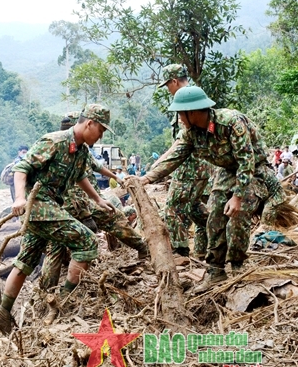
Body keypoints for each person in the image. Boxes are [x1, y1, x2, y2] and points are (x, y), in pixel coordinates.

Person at [140, 86, 285, 293]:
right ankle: (215, 271)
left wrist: (237, 197)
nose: (179, 118)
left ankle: (237, 268)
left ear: (192, 112)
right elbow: (174, 157)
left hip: (254, 170)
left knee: (238, 214)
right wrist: (146, 178)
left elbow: (247, 161)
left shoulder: (231, 122)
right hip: (227, 171)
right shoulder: (191, 133)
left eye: (180, 113)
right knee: (215, 213)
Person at [0, 104, 115, 335]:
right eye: (101, 130)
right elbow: (22, 167)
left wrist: (98, 199)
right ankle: (64, 302)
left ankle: (3, 313)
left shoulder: (81, 151)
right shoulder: (54, 141)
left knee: (26, 260)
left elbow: (79, 177)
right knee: (87, 242)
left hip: (50, 207)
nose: (101, 136)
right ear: (89, 123)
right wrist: (19, 198)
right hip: (38, 205)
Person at [39, 113, 149, 299]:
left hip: (60, 207)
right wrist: (87, 213)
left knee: (55, 247)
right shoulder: (70, 147)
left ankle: (46, 294)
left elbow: (96, 166)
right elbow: (75, 190)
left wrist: (115, 177)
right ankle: (142, 247)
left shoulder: (72, 147)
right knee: (113, 218)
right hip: (76, 206)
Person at [156, 64, 211, 259]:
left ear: (174, 81)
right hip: (202, 168)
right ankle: (208, 247)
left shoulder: (186, 101)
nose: (168, 90)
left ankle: (180, 253)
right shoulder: (195, 94)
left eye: (168, 85)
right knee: (195, 209)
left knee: (172, 208)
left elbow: (182, 142)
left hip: (189, 169)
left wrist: (159, 165)